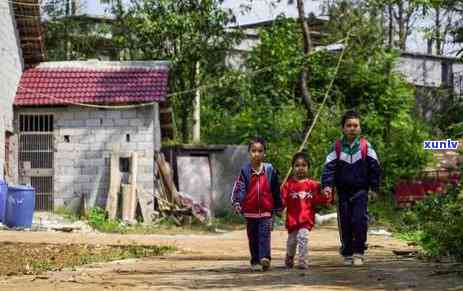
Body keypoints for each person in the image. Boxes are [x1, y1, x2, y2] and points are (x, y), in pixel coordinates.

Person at [321, 110, 381, 266]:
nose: (352, 128)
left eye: (355, 125)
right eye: (349, 125)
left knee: (360, 220)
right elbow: (329, 167)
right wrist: (327, 186)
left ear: (360, 128)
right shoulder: (337, 147)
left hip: (361, 191)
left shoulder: (366, 146)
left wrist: (374, 188)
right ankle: (347, 252)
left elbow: (375, 167)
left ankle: (359, 252)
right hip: (343, 192)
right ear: (343, 128)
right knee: (345, 221)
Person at [231, 137, 282, 271]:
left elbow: (275, 189)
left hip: (266, 211)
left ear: (264, 153)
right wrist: (237, 202)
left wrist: (278, 206)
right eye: (253, 151)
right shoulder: (245, 171)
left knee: (265, 235)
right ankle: (255, 261)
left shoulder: (269, 170)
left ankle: (265, 258)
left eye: (260, 151)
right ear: (249, 153)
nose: (256, 154)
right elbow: (239, 188)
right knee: (253, 237)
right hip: (250, 212)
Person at [281, 152, 331, 269]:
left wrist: (326, 194)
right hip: (292, 221)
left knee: (303, 238)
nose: (300, 168)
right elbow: (282, 201)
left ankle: (303, 260)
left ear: (308, 167)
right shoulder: (287, 186)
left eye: (304, 165)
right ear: (292, 168)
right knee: (292, 242)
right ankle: (289, 256)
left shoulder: (313, 185)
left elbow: (322, 199)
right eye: (297, 165)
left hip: (306, 220)